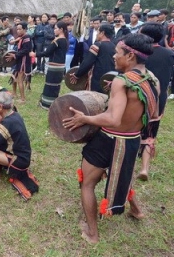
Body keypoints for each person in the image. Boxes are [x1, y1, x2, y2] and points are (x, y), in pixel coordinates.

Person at [63, 33, 159, 244]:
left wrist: (84, 118)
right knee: (122, 175)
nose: (114, 56)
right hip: (132, 140)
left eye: (117, 53)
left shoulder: (122, 81)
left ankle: (92, 234)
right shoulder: (152, 79)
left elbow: (113, 119)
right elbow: (152, 115)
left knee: (87, 183)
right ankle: (137, 211)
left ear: (131, 56)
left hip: (109, 139)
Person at [137, 22, 174, 181]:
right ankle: (144, 168)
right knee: (150, 132)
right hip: (158, 99)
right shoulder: (169, 54)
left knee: (132, 130)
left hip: (137, 96)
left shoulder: (138, 53)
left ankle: (129, 162)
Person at [30, 21, 68, 109]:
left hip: (54, 66)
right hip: (60, 66)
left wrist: (35, 54)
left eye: (55, 28)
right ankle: (53, 102)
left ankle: (47, 104)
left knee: (50, 84)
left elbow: (47, 52)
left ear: (61, 29)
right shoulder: (65, 40)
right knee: (56, 85)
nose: (54, 30)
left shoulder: (58, 40)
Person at [70, 23, 116, 93]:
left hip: (97, 78)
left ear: (102, 33)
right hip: (109, 78)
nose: (97, 33)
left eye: (98, 31)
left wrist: (77, 75)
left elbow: (87, 62)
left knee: (94, 98)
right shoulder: (114, 46)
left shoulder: (97, 45)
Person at [6, 22, 32, 103]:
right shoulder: (22, 37)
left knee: (20, 79)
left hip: (23, 60)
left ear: (24, 29)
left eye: (20, 29)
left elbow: (26, 50)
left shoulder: (27, 37)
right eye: (17, 29)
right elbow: (13, 42)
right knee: (15, 77)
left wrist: (14, 55)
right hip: (19, 60)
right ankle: (15, 94)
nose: (18, 31)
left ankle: (23, 99)